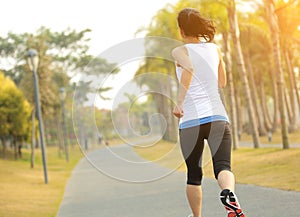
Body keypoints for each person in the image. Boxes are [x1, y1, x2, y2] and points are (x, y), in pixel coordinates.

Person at [171, 8, 245, 217]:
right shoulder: (215, 49)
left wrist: (179, 103)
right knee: (223, 166)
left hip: (190, 122)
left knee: (194, 175)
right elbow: (222, 82)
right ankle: (229, 193)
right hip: (217, 118)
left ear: (182, 29)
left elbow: (189, 68)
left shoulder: (179, 51)